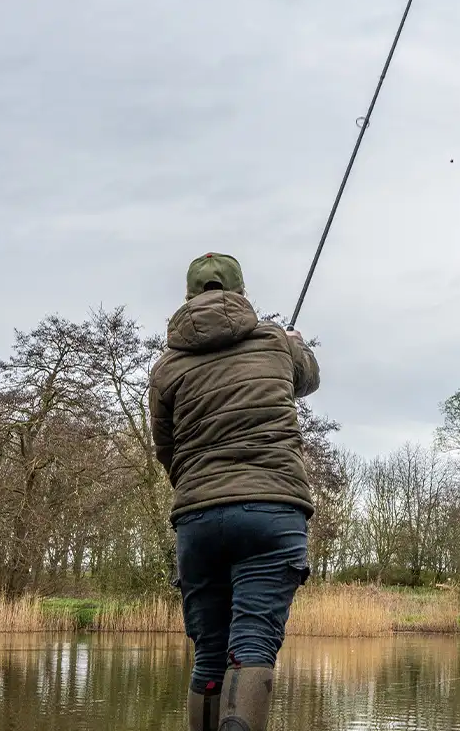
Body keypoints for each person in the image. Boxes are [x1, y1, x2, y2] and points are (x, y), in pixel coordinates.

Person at [148, 252, 320, 731]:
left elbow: (167, 449)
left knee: (209, 655)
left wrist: (198, 492)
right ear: (241, 292)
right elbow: (307, 380)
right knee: (251, 648)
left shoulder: (167, 368)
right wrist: (296, 343)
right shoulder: (273, 341)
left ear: (187, 297)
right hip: (272, 509)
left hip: (198, 518)